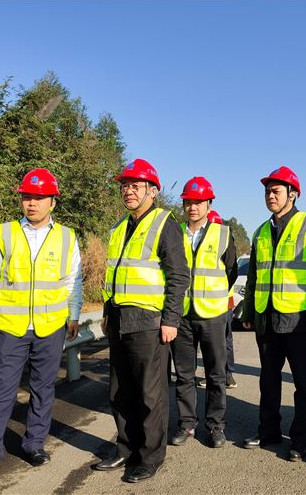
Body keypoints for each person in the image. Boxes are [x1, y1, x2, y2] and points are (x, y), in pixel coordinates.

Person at [0, 168, 82, 487]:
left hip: (51, 326)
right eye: (27, 197)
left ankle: (34, 445)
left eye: (39, 198)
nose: (31, 203)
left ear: (52, 202)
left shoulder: (67, 237)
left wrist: (73, 316)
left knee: (43, 388)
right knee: (0, 391)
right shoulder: (3, 233)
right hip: (10, 326)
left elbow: (73, 281)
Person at [93, 159, 189, 483]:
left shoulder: (165, 224)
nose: (128, 190)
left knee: (150, 394)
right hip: (119, 319)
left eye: (135, 185)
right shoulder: (119, 228)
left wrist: (171, 318)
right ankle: (125, 449)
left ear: (152, 190)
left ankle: (150, 457)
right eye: (125, 185)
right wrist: (107, 313)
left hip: (150, 321)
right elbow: (112, 275)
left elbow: (178, 275)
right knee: (120, 392)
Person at [241, 165, 306, 462]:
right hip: (266, 317)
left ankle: (301, 439)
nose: (270, 195)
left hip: (299, 320)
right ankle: (268, 431)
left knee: (303, 382)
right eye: (267, 191)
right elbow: (254, 275)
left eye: (276, 191)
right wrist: (248, 311)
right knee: (268, 380)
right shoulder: (260, 231)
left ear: (293, 194)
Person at [170, 179, 237, 448]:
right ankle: (186, 424)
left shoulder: (223, 233)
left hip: (213, 315)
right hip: (182, 315)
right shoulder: (174, 232)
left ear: (209, 204)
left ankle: (215, 425)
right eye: (188, 202)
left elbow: (231, 271)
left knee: (215, 374)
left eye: (198, 202)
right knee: (184, 375)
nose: (193, 207)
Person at [198, 209, 238, 390]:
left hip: (219, 303)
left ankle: (223, 375)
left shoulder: (222, 240)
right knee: (222, 342)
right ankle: (226, 375)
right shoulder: (222, 239)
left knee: (218, 343)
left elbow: (231, 271)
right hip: (216, 302)